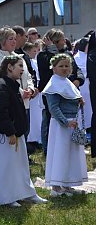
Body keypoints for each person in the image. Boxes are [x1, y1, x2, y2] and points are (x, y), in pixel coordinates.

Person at [0, 56, 47, 207]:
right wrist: (10, 131)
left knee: (21, 166)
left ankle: (26, 193)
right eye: (19, 66)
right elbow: (0, 112)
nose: (22, 69)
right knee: (7, 166)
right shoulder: (1, 86)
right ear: (9, 67)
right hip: (7, 135)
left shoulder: (13, 85)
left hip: (17, 133)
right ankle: (7, 197)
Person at [42, 54, 87, 196]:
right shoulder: (54, 84)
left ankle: (68, 184)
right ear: (54, 68)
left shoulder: (66, 82)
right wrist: (65, 122)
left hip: (72, 123)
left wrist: (79, 101)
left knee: (70, 154)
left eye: (67, 66)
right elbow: (54, 108)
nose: (64, 68)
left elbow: (70, 98)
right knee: (60, 154)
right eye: (61, 66)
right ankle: (56, 186)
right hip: (62, 126)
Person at [37, 28, 84, 155]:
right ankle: (49, 150)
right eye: (62, 38)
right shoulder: (43, 56)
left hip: (69, 92)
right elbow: (47, 72)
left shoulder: (67, 54)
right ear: (55, 40)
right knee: (50, 119)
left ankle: (70, 149)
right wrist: (52, 50)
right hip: (54, 93)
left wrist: (78, 80)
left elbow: (76, 69)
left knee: (72, 119)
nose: (65, 40)